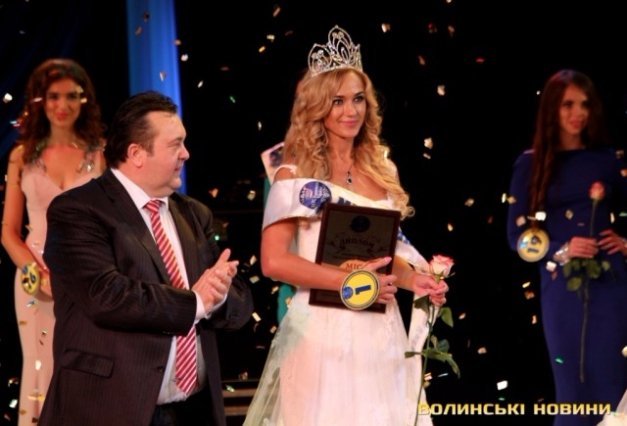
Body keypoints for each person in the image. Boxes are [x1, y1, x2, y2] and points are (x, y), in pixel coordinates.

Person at [244, 26, 448, 426]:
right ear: (317, 106)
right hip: (320, 331)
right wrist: (348, 282)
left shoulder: (383, 169)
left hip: (380, 328)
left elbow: (385, 256)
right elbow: (273, 262)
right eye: (337, 101)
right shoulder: (294, 173)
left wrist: (414, 280)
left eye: (357, 99)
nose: (350, 111)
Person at [37, 91, 253, 426]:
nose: (186, 153)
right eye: (175, 144)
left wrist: (219, 294)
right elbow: (106, 295)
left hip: (193, 411)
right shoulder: (77, 211)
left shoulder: (195, 214)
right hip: (110, 410)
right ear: (136, 153)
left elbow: (238, 301)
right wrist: (196, 302)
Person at [507, 69, 627, 426]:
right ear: (552, 109)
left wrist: (625, 243)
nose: (579, 113)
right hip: (562, 288)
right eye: (568, 104)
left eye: (585, 104)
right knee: (573, 390)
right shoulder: (530, 163)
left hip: (612, 286)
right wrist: (562, 249)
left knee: (613, 383)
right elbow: (517, 238)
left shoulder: (608, 160)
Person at [1, 58, 106, 425]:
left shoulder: (100, 154)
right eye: (54, 96)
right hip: (34, 280)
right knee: (40, 366)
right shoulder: (21, 156)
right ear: (40, 101)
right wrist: (38, 275)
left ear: (84, 100)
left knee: (86, 365)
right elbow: (8, 232)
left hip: (88, 278)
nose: (63, 105)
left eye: (72, 96)